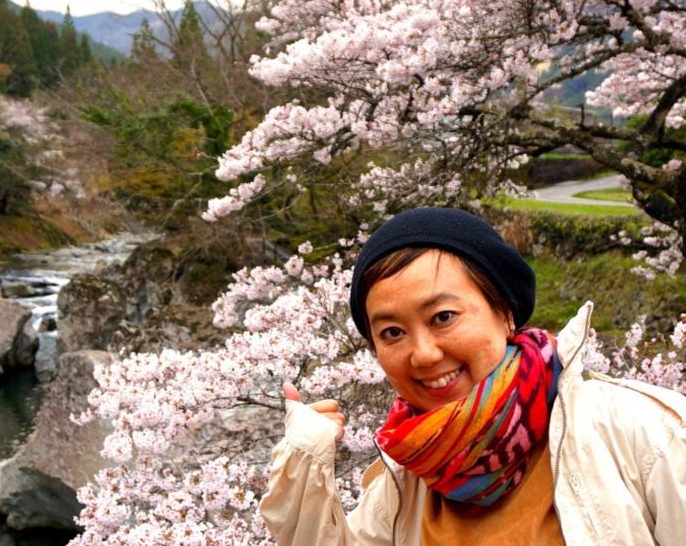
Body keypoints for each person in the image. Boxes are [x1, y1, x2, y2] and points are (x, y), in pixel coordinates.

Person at [259, 207, 686, 545]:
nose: (424, 354)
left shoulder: (646, 435)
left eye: (443, 317)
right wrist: (305, 459)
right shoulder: (408, 475)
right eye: (392, 333)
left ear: (504, 313)